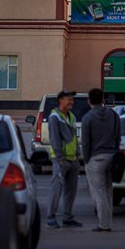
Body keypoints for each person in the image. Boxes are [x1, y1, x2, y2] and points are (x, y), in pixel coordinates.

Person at [81, 87, 122, 232]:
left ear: (89, 101)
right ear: (103, 99)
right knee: (108, 191)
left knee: (99, 192)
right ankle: (107, 222)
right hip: (112, 156)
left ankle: (103, 224)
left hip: (95, 158)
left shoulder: (88, 118)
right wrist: (115, 152)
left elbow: (85, 142)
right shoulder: (113, 115)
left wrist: (86, 159)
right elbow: (118, 136)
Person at [47, 90, 82, 228]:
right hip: (61, 160)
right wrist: (60, 158)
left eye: (72, 99)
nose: (71, 102)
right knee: (56, 189)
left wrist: (77, 155)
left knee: (71, 191)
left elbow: (74, 138)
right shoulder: (55, 117)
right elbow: (54, 139)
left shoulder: (71, 116)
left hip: (73, 159)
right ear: (60, 100)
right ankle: (51, 217)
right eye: (69, 99)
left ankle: (68, 217)